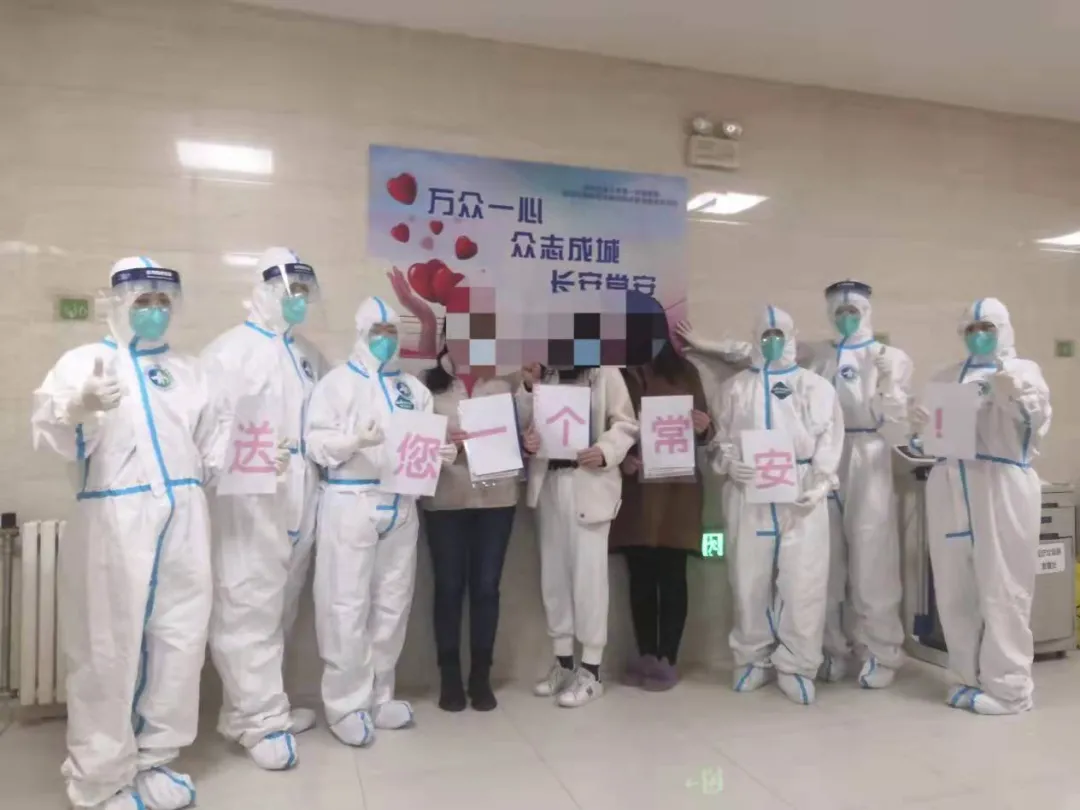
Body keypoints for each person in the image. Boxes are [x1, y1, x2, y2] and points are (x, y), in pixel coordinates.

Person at [31, 257, 237, 810]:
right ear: (119, 303)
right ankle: (98, 780)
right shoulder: (86, 361)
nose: (154, 310)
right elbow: (51, 427)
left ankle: (154, 760)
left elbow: (215, 441)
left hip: (185, 513)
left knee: (179, 639)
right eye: (143, 301)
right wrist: (81, 405)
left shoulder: (192, 371)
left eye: (163, 301)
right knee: (107, 645)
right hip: (114, 516)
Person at [681, 281, 911, 688]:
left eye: (853, 310)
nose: (846, 317)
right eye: (839, 311)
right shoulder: (814, 357)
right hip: (779, 476)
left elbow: (893, 419)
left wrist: (890, 384)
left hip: (859, 458)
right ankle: (826, 649)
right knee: (811, 569)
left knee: (869, 559)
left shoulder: (883, 359)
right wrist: (708, 346)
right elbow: (748, 358)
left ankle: (876, 652)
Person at [305, 296, 456, 746]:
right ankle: (345, 705)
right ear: (361, 333)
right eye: (378, 332)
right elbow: (316, 443)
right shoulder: (337, 384)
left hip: (401, 504)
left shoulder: (413, 389)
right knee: (345, 605)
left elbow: (420, 443)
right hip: (350, 500)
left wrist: (439, 454)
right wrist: (353, 441)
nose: (386, 340)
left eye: (392, 332)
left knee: (393, 603)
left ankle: (379, 696)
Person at [201, 247, 327, 770]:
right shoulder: (229, 352)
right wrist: (244, 458)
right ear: (262, 291)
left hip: (301, 487)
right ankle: (260, 721)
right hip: (249, 495)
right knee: (247, 601)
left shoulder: (307, 354)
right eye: (288, 291)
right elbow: (205, 433)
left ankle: (256, 708)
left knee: (281, 606)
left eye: (304, 291)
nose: (297, 300)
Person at [911, 298, 1050, 715]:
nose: (979, 336)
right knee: (955, 589)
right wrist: (920, 428)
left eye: (987, 327)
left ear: (1003, 328)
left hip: (1000, 485)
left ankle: (1009, 690)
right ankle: (965, 677)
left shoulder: (1023, 371)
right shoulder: (946, 376)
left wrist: (1016, 396)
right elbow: (930, 436)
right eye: (971, 329)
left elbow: (1036, 424)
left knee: (1003, 589)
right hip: (950, 484)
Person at [708, 305, 844, 705]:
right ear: (755, 338)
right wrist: (729, 465)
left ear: (791, 336)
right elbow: (721, 440)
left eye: (778, 334)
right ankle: (752, 658)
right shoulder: (734, 388)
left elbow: (830, 440)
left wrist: (820, 483)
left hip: (800, 491)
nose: (771, 342)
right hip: (748, 491)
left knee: (803, 582)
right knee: (747, 579)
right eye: (765, 335)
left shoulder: (815, 387)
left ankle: (797, 664)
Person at [518, 364, 638, 708]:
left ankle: (592, 671)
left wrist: (605, 450)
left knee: (589, 578)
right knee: (553, 577)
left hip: (588, 482)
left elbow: (626, 423)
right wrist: (528, 393)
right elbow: (522, 425)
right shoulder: (545, 374)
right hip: (549, 483)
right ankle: (564, 663)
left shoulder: (605, 373)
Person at [421, 337, 521, 712]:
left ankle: (480, 677)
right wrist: (445, 442)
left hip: (497, 499)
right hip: (446, 498)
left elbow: (525, 434)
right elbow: (412, 439)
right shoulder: (427, 385)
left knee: (486, 588)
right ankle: (449, 677)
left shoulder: (503, 383)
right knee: (448, 588)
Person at [610, 333, 712, 691]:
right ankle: (645, 655)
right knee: (639, 576)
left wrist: (704, 427)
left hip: (676, 490)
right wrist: (622, 458)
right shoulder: (616, 374)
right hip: (635, 491)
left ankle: (668, 657)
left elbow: (706, 428)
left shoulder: (685, 372)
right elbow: (607, 426)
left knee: (672, 573)